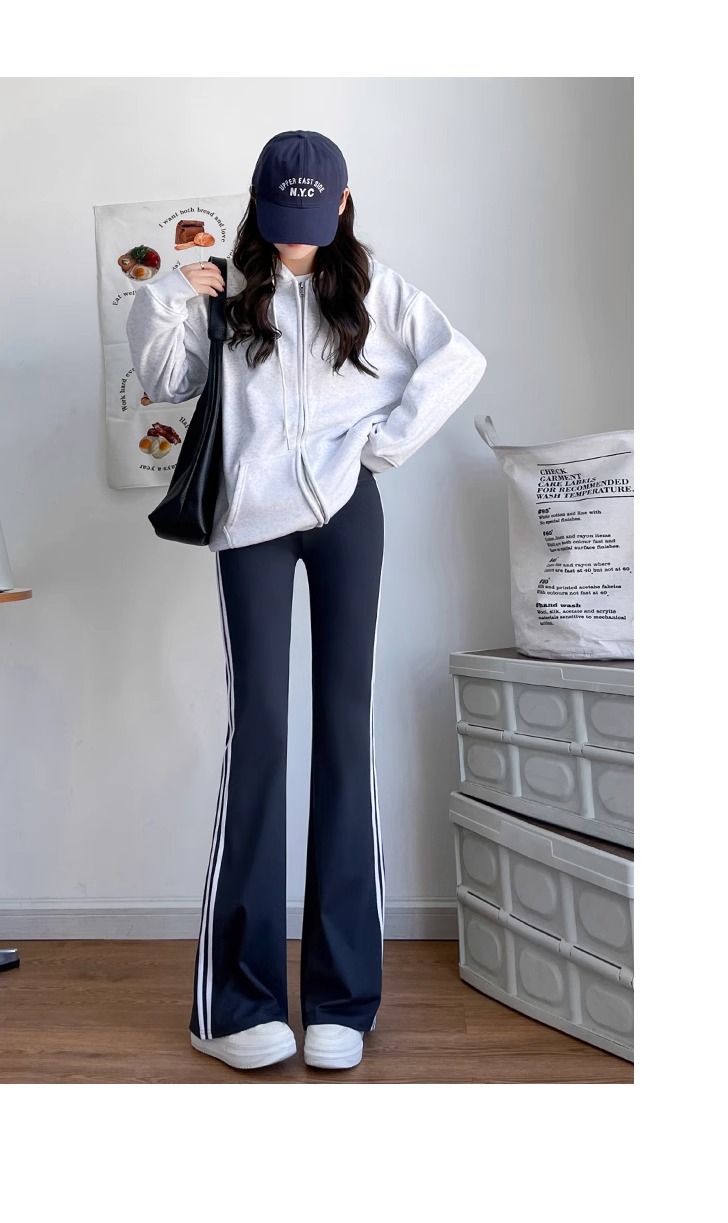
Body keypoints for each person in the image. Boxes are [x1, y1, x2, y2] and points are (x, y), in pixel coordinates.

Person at [126, 129, 487, 1072]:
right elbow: (164, 382)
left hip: (345, 516)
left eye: (314, 217)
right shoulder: (228, 287)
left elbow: (458, 360)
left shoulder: (371, 288)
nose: (297, 237)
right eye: (282, 219)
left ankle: (342, 999)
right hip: (249, 521)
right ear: (258, 205)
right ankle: (233, 1004)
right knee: (261, 731)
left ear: (342, 203)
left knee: (344, 733)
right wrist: (169, 296)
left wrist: (378, 449)